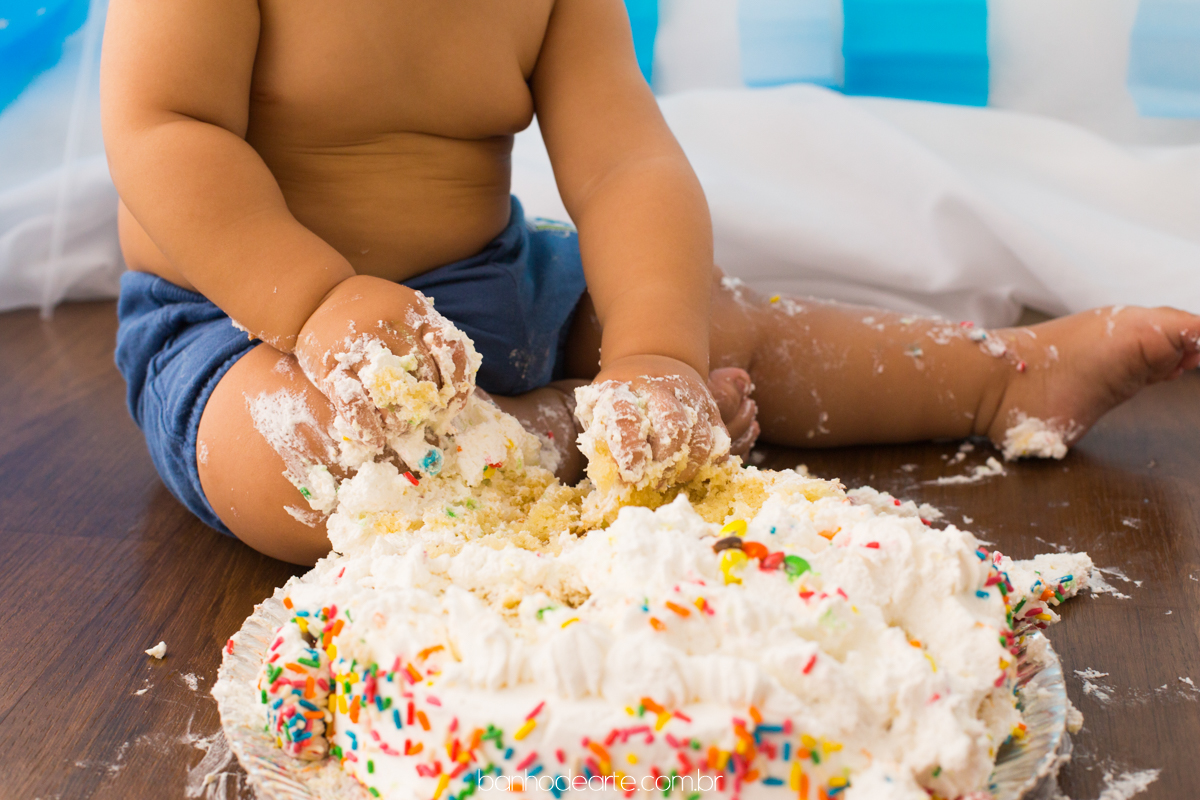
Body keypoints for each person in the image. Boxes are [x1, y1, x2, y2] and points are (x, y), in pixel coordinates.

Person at [100, 0, 1200, 565]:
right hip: (244, 318)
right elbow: (163, 131)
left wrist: (658, 348)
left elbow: (627, 165)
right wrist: (313, 299)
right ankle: (573, 437)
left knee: (716, 312)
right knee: (306, 467)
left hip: (498, 283)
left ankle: (996, 379)